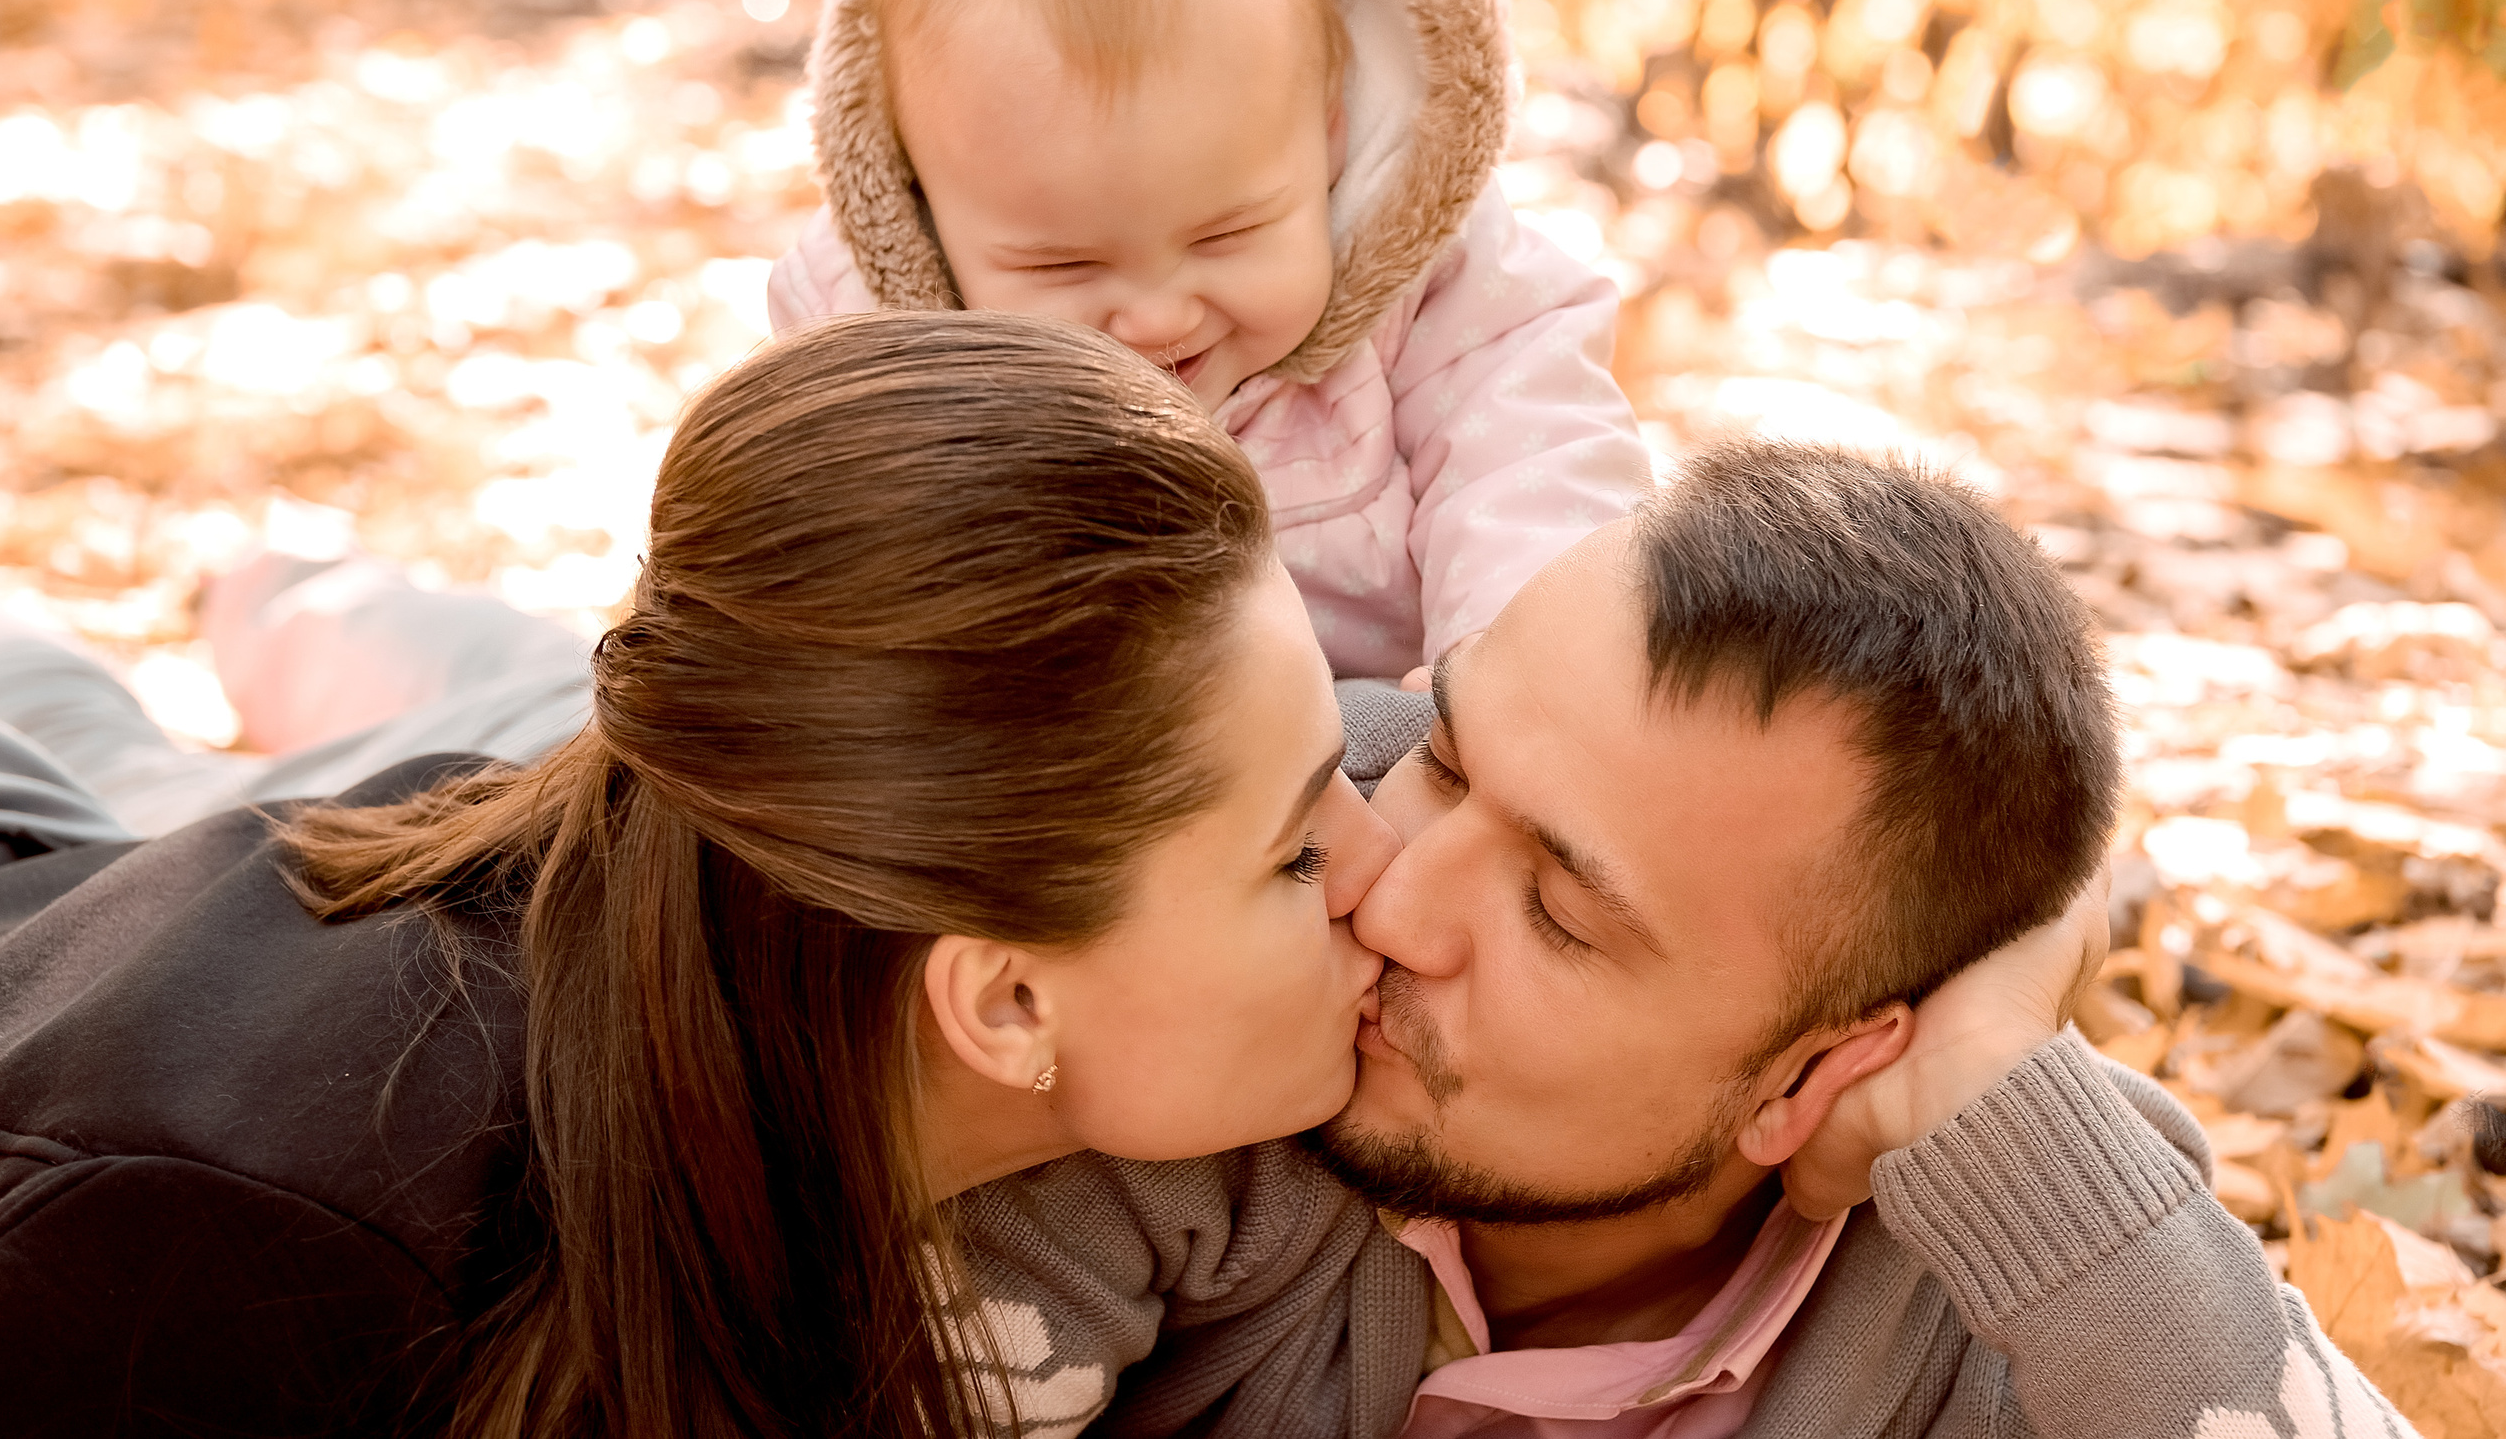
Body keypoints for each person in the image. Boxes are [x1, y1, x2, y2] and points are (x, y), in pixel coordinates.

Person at [0, 311, 1404, 1438]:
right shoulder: (273, 1274)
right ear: (1004, 1002)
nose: (1384, 863)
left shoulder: (754, 903)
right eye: (1295, 852)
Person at [940, 442, 2419, 1439]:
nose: (1387, 902)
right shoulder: (1229, 1007)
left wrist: (1987, 1074)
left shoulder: (1998, 1275)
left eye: (1558, 913)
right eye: (1445, 757)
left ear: (1814, 1075)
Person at [773, 0, 1651, 680]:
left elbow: (1536, 467)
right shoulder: (868, 359)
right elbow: (811, 593)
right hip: (1082, 754)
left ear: (1327, 130)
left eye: (1226, 234)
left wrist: (1506, 674)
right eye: (1062, 263)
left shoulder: (1441, 287)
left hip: (1405, 729)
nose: (1157, 318)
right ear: (923, 200)